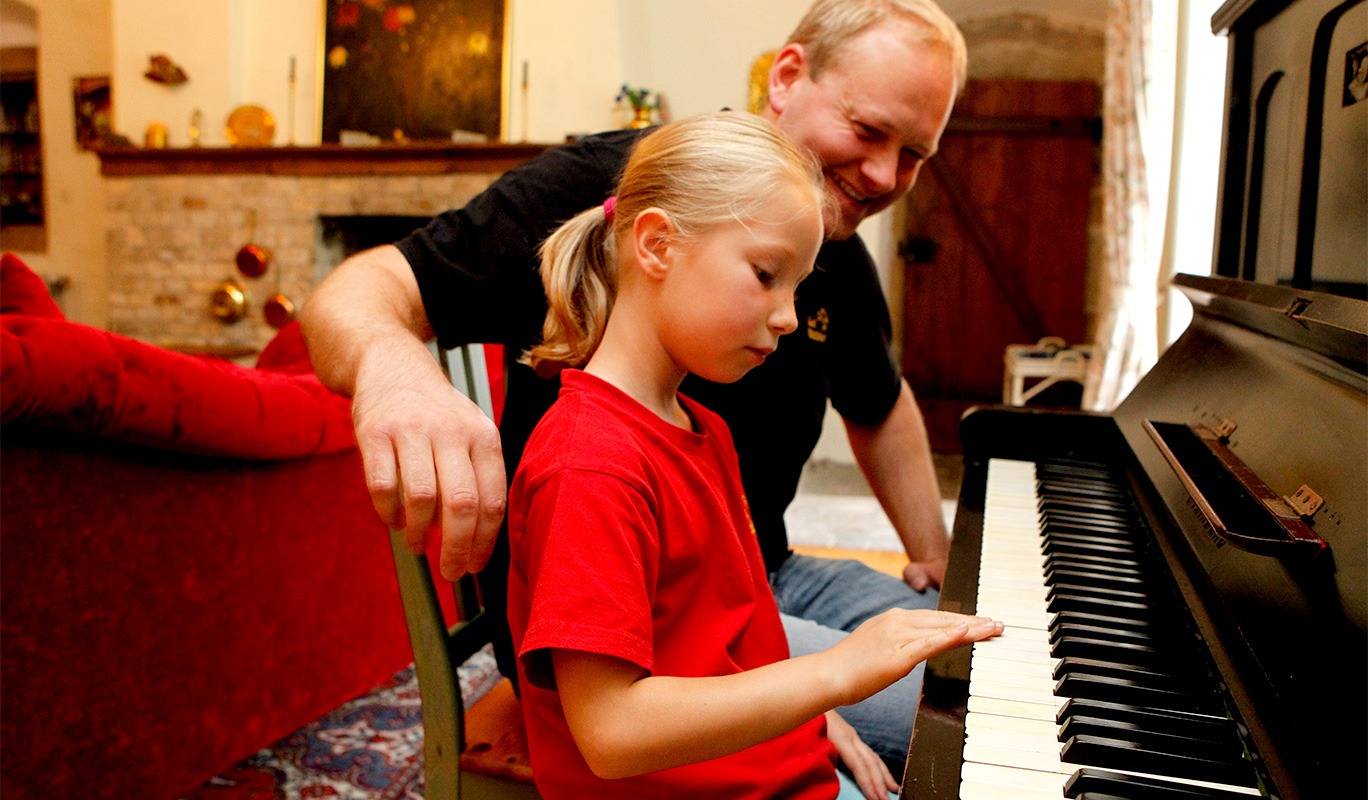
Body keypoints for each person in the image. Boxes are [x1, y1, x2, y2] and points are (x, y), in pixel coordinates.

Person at [299, 0, 966, 777]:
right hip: (625, 620)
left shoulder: (822, 249)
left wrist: (936, 559)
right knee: (963, 707)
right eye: (868, 130)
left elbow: (879, 405)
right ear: (788, 77)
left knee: (978, 645)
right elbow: (359, 289)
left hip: (748, 575)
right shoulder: (606, 190)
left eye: (915, 154)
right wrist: (393, 367)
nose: (887, 176)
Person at [508, 110, 1000, 800]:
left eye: (795, 288)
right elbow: (611, 732)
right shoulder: (592, 465)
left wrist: (813, 711)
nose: (788, 317)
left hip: (774, 769)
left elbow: (733, 636)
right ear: (655, 246)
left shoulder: (701, 425)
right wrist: (833, 674)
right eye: (766, 275)